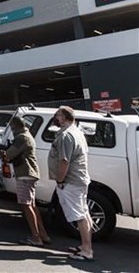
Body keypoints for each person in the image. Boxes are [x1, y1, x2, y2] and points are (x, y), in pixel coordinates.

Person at [48, 106, 93, 261]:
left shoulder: (67, 135)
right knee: (84, 212)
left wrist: (60, 181)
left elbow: (64, 161)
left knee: (79, 215)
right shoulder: (77, 132)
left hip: (71, 181)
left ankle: (87, 250)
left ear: (65, 117)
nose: (55, 117)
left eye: (57, 115)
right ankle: (84, 245)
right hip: (79, 179)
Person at [2, 116, 50, 247]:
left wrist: (2, 152)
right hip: (30, 174)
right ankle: (43, 234)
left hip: (25, 174)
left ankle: (36, 237)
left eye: (11, 128)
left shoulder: (21, 137)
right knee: (32, 206)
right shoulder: (28, 135)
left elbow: (8, 155)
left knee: (26, 206)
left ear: (14, 127)